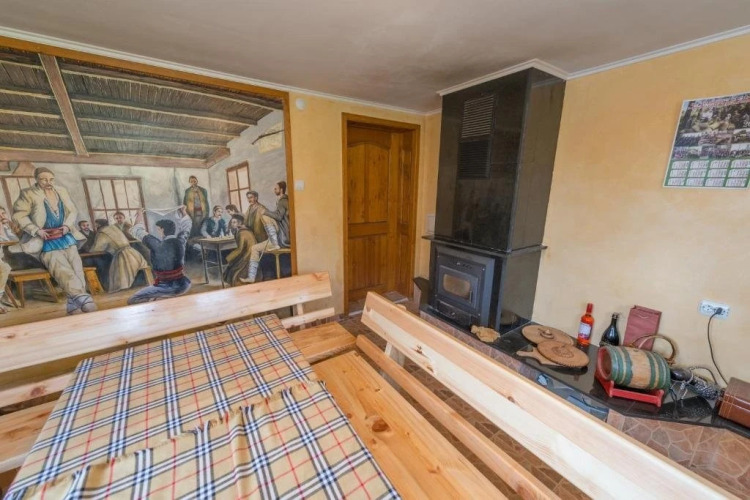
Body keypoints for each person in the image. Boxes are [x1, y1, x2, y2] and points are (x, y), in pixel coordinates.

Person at [12, 167, 96, 314]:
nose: (48, 182)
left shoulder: (61, 191)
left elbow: (73, 211)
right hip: (45, 239)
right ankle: (81, 297)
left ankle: (74, 302)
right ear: (36, 179)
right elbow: (18, 216)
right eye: (44, 179)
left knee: (76, 268)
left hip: (66, 236)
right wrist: (36, 230)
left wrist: (67, 225)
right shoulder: (28, 193)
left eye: (51, 179)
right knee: (61, 269)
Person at [127, 210, 190, 304]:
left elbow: (136, 230)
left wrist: (139, 214)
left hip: (167, 287)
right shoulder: (181, 240)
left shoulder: (156, 244)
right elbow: (187, 225)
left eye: (158, 229)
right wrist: (184, 211)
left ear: (162, 229)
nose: (158, 232)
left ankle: (164, 300)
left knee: (133, 299)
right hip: (184, 284)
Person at [89, 219, 149, 293]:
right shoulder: (114, 228)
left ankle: (123, 292)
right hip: (134, 254)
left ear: (98, 225)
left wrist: (90, 251)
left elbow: (98, 248)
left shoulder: (103, 232)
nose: (95, 227)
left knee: (119, 277)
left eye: (96, 225)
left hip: (124, 256)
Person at [222, 215, 258, 286]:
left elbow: (240, 249)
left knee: (233, 268)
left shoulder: (242, 233)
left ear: (239, 223)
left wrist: (228, 258)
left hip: (248, 255)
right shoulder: (245, 230)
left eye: (234, 222)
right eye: (231, 222)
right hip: (248, 253)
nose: (232, 224)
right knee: (232, 265)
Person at [0, 206, 19, 314]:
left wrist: (8, 225)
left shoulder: (5, 227)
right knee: (5, 268)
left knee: (5, 267)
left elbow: (15, 240)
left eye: (3, 213)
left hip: (1, 258)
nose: (1, 217)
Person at [262, 181, 291, 248]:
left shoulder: (282, 201)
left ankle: (274, 243)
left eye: (276, 189)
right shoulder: (282, 200)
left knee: (265, 217)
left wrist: (265, 212)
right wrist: (267, 212)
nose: (274, 190)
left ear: (281, 190)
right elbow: (277, 213)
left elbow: (279, 217)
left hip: (285, 231)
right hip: (285, 228)